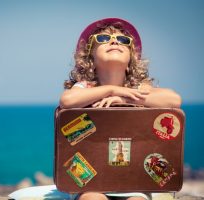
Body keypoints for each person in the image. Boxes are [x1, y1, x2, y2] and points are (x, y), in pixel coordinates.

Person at [59, 18, 181, 200]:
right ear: (90, 57)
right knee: (92, 198)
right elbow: (67, 100)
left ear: (132, 58)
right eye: (103, 39)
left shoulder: (138, 88)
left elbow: (173, 99)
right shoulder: (85, 87)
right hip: (88, 182)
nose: (114, 41)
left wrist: (124, 97)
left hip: (134, 182)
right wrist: (111, 90)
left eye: (123, 40)